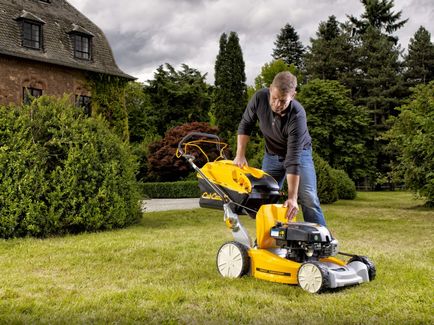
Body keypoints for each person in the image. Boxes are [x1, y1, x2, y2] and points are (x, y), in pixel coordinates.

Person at [233, 71, 326, 226]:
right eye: (274, 98)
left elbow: (293, 160)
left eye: (283, 101)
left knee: (309, 198)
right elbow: (246, 124)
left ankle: (321, 243)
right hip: (272, 155)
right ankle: (268, 239)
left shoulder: (297, 115)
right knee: (263, 197)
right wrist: (240, 154)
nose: (277, 104)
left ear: (293, 96)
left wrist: (292, 198)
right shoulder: (259, 98)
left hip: (299, 155)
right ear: (270, 89)